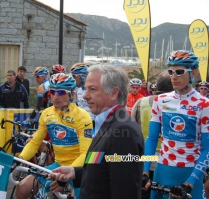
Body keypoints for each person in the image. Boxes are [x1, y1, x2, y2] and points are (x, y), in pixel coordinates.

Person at [49, 65, 144, 199]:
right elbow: (104, 165)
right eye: (86, 89)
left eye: (92, 89)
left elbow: (125, 192)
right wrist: (75, 172)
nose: (86, 95)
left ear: (114, 93)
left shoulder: (123, 131)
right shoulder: (107, 122)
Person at [143, 50, 209, 199]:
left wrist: (190, 183)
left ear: (194, 72)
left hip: (190, 172)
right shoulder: (160, 100)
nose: (174, 76)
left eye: (179, 72)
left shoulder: (204, 105)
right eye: (171, 71)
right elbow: (152, 139)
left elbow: (207, 148)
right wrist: (145, 171)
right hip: (162, 169)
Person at [15, 73, 93, 199]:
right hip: (57, 165)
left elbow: (85, 154)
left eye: (61, 92)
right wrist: (20, 159)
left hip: (77, 169)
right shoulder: (46, 114)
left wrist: (68, 173)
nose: (55, 97)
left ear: (72, 94)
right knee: (22, 187)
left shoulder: (82, 116)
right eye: (52, 92)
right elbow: (35, 142)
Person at [131, 70, 174, 199]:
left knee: (143, 192)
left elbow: (132, 130)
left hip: (145, 158)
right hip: (168, 161)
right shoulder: (179, 105)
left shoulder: (141, 103)